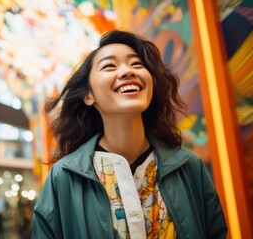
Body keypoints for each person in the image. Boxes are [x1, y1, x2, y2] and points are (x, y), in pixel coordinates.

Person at [32, 30, 227, 238]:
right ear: (88, 96)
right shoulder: (63, 177)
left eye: (136, 64)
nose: (127, 71)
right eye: (109, 66)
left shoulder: (189, 167)